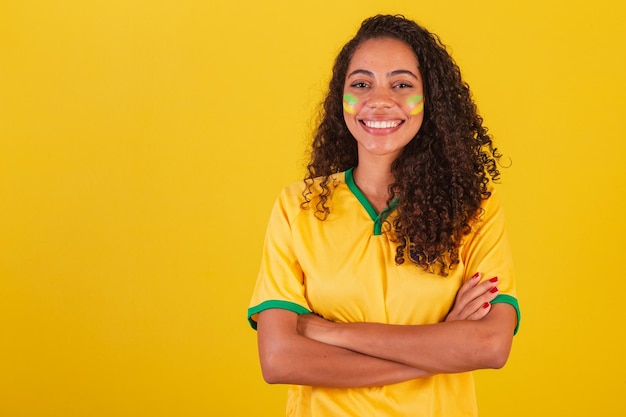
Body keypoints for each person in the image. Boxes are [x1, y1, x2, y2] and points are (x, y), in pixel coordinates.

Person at [247, 14, 520, 417]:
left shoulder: (474, 209)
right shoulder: (298, 206)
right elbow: (280, 360)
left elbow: (490, 347)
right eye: (361, 84)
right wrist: (443, 344)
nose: (379, 99)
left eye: (402, 84)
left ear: (430, 99)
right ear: (340, 97)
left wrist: (328, 332)